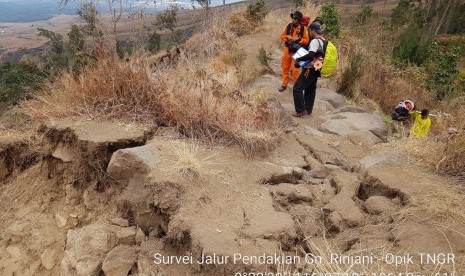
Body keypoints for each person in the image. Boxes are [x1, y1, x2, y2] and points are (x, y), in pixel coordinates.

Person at [291, 22, 325, 117]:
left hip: (310, 69)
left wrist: (299, 59)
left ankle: (301, 110)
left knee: (297, 88)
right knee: (310, 89)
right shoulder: (323, 40)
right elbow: (315, 56)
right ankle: (308, 110)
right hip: (317, 68)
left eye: (310, 30)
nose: (309, 32)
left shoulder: (314, 41)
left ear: (313, 30)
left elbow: (310, 55)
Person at [278, 11, 309, 92]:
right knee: (285, 68)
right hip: (287, 50)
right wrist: (287, 38)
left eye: (295, 18)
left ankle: (296, 87)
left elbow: (306, 41)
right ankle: (284, 84)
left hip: (297, 52)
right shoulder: (288, 26)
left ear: (298, 19)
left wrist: (298, 39)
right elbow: (282, 36)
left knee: (296, 70)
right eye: (293, 17)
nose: (293, 19)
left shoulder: (303, 28)